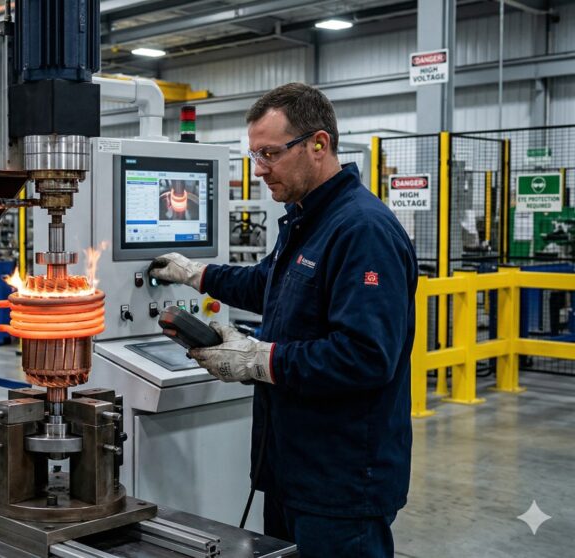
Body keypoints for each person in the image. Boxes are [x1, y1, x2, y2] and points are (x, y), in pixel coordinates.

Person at [149, 82, 417, 557]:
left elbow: (366, 357)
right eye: (255, 155)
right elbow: (266, 282)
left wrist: (259, 360)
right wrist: (197, 274)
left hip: (343, 482)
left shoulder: (363, 230)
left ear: (319, 144)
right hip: (291, 469)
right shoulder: (307, 220)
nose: (261, 170)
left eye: (270, 153)